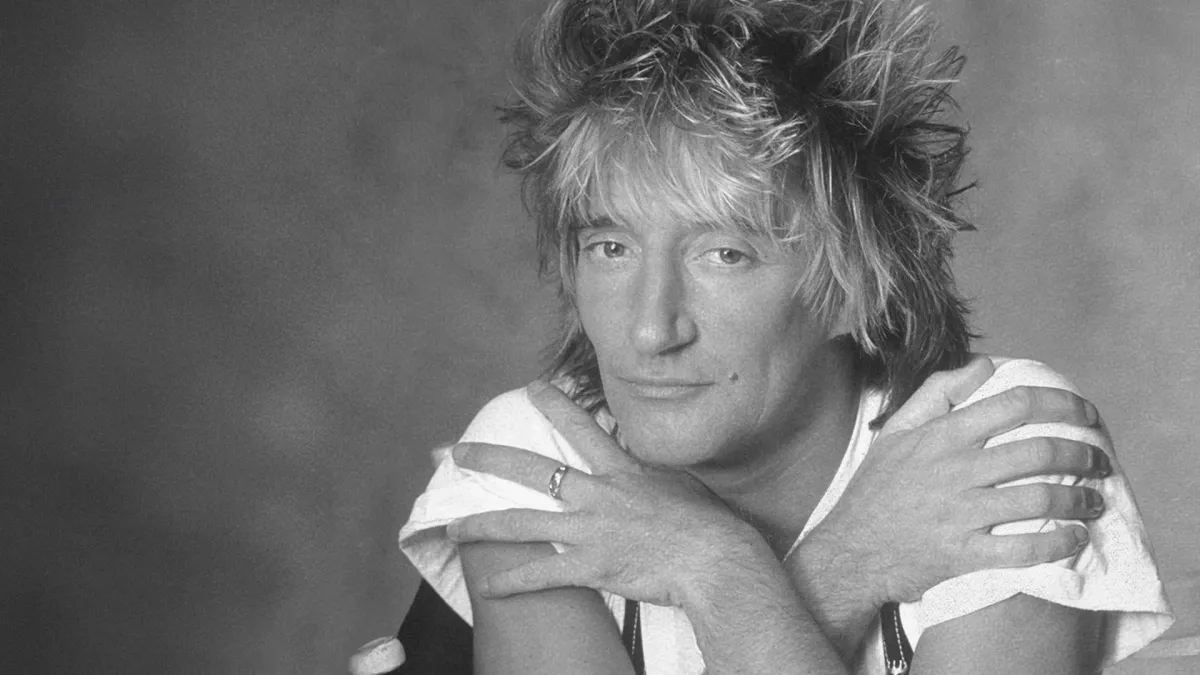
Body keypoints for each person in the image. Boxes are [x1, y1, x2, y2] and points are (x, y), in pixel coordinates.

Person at [398, 1, 1173, 673]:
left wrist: (717, 572)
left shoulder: (987, 443)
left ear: (859, 285)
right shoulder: (539, 456)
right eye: (611, 247)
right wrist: (806, 563)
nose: (650, 327)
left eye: (725, 254)